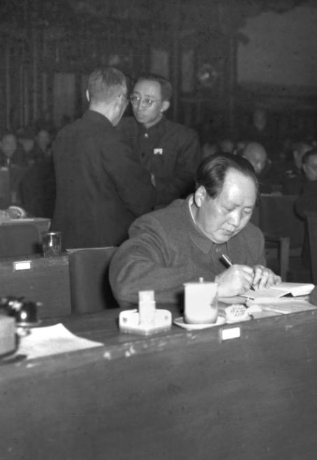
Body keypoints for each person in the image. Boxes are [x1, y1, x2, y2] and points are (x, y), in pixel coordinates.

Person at [110, 153, 280, 306]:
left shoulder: (251, 237)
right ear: (201, 196)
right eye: (228, 209)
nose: (236, 222)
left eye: (246, 211)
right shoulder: (157, 228)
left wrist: (261, 280)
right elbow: (126, 283)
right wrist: (213, 285)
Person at [52, 67, 156, 249]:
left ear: (87, 95)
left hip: (65, 238)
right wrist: (149, 182)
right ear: (120, 99)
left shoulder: (64, 134)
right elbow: (140, 198)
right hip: (103, 246)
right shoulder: (113, 139)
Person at [118, 73, 201, 208]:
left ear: (164, 106)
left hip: (162, 211)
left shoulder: (183, 137)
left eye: (148, 101)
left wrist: (152, 185)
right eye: (135, 98)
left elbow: (187, 183)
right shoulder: (119, 129)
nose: (139, 106)